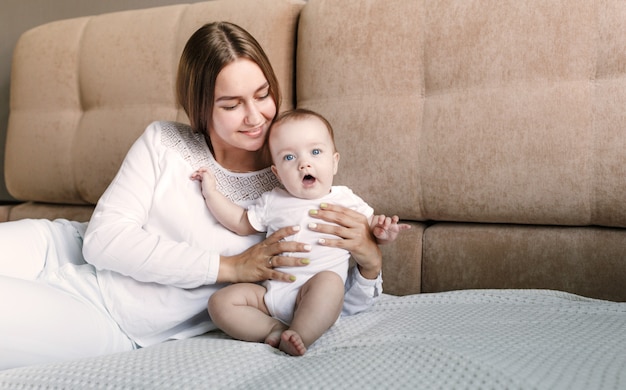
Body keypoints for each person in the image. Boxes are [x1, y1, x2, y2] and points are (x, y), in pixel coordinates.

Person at [0, 22, 384, 370]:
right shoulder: (163, 140)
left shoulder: (296, 179)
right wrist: (230, 267)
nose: (255, 117)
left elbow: (330, 293)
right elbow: (102, 241)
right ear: (200, 108)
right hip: (64, 245)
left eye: (263, 95)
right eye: (231, 105)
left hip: (111, 316)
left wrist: (370, 262)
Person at [192, 108, 409, 355]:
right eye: (288, 158)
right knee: (220, 303)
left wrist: (384, 233)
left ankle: (301, 334)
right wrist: (211, 193)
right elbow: (240, 221)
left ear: (334, 162)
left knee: (331, 282)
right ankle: (273, 329)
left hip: (318, 295)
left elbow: (371, 231)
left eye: (315, 152)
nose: (304, 163)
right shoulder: (273, 200)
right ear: (277, 174)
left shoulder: (345, 199)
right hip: (271, 295)